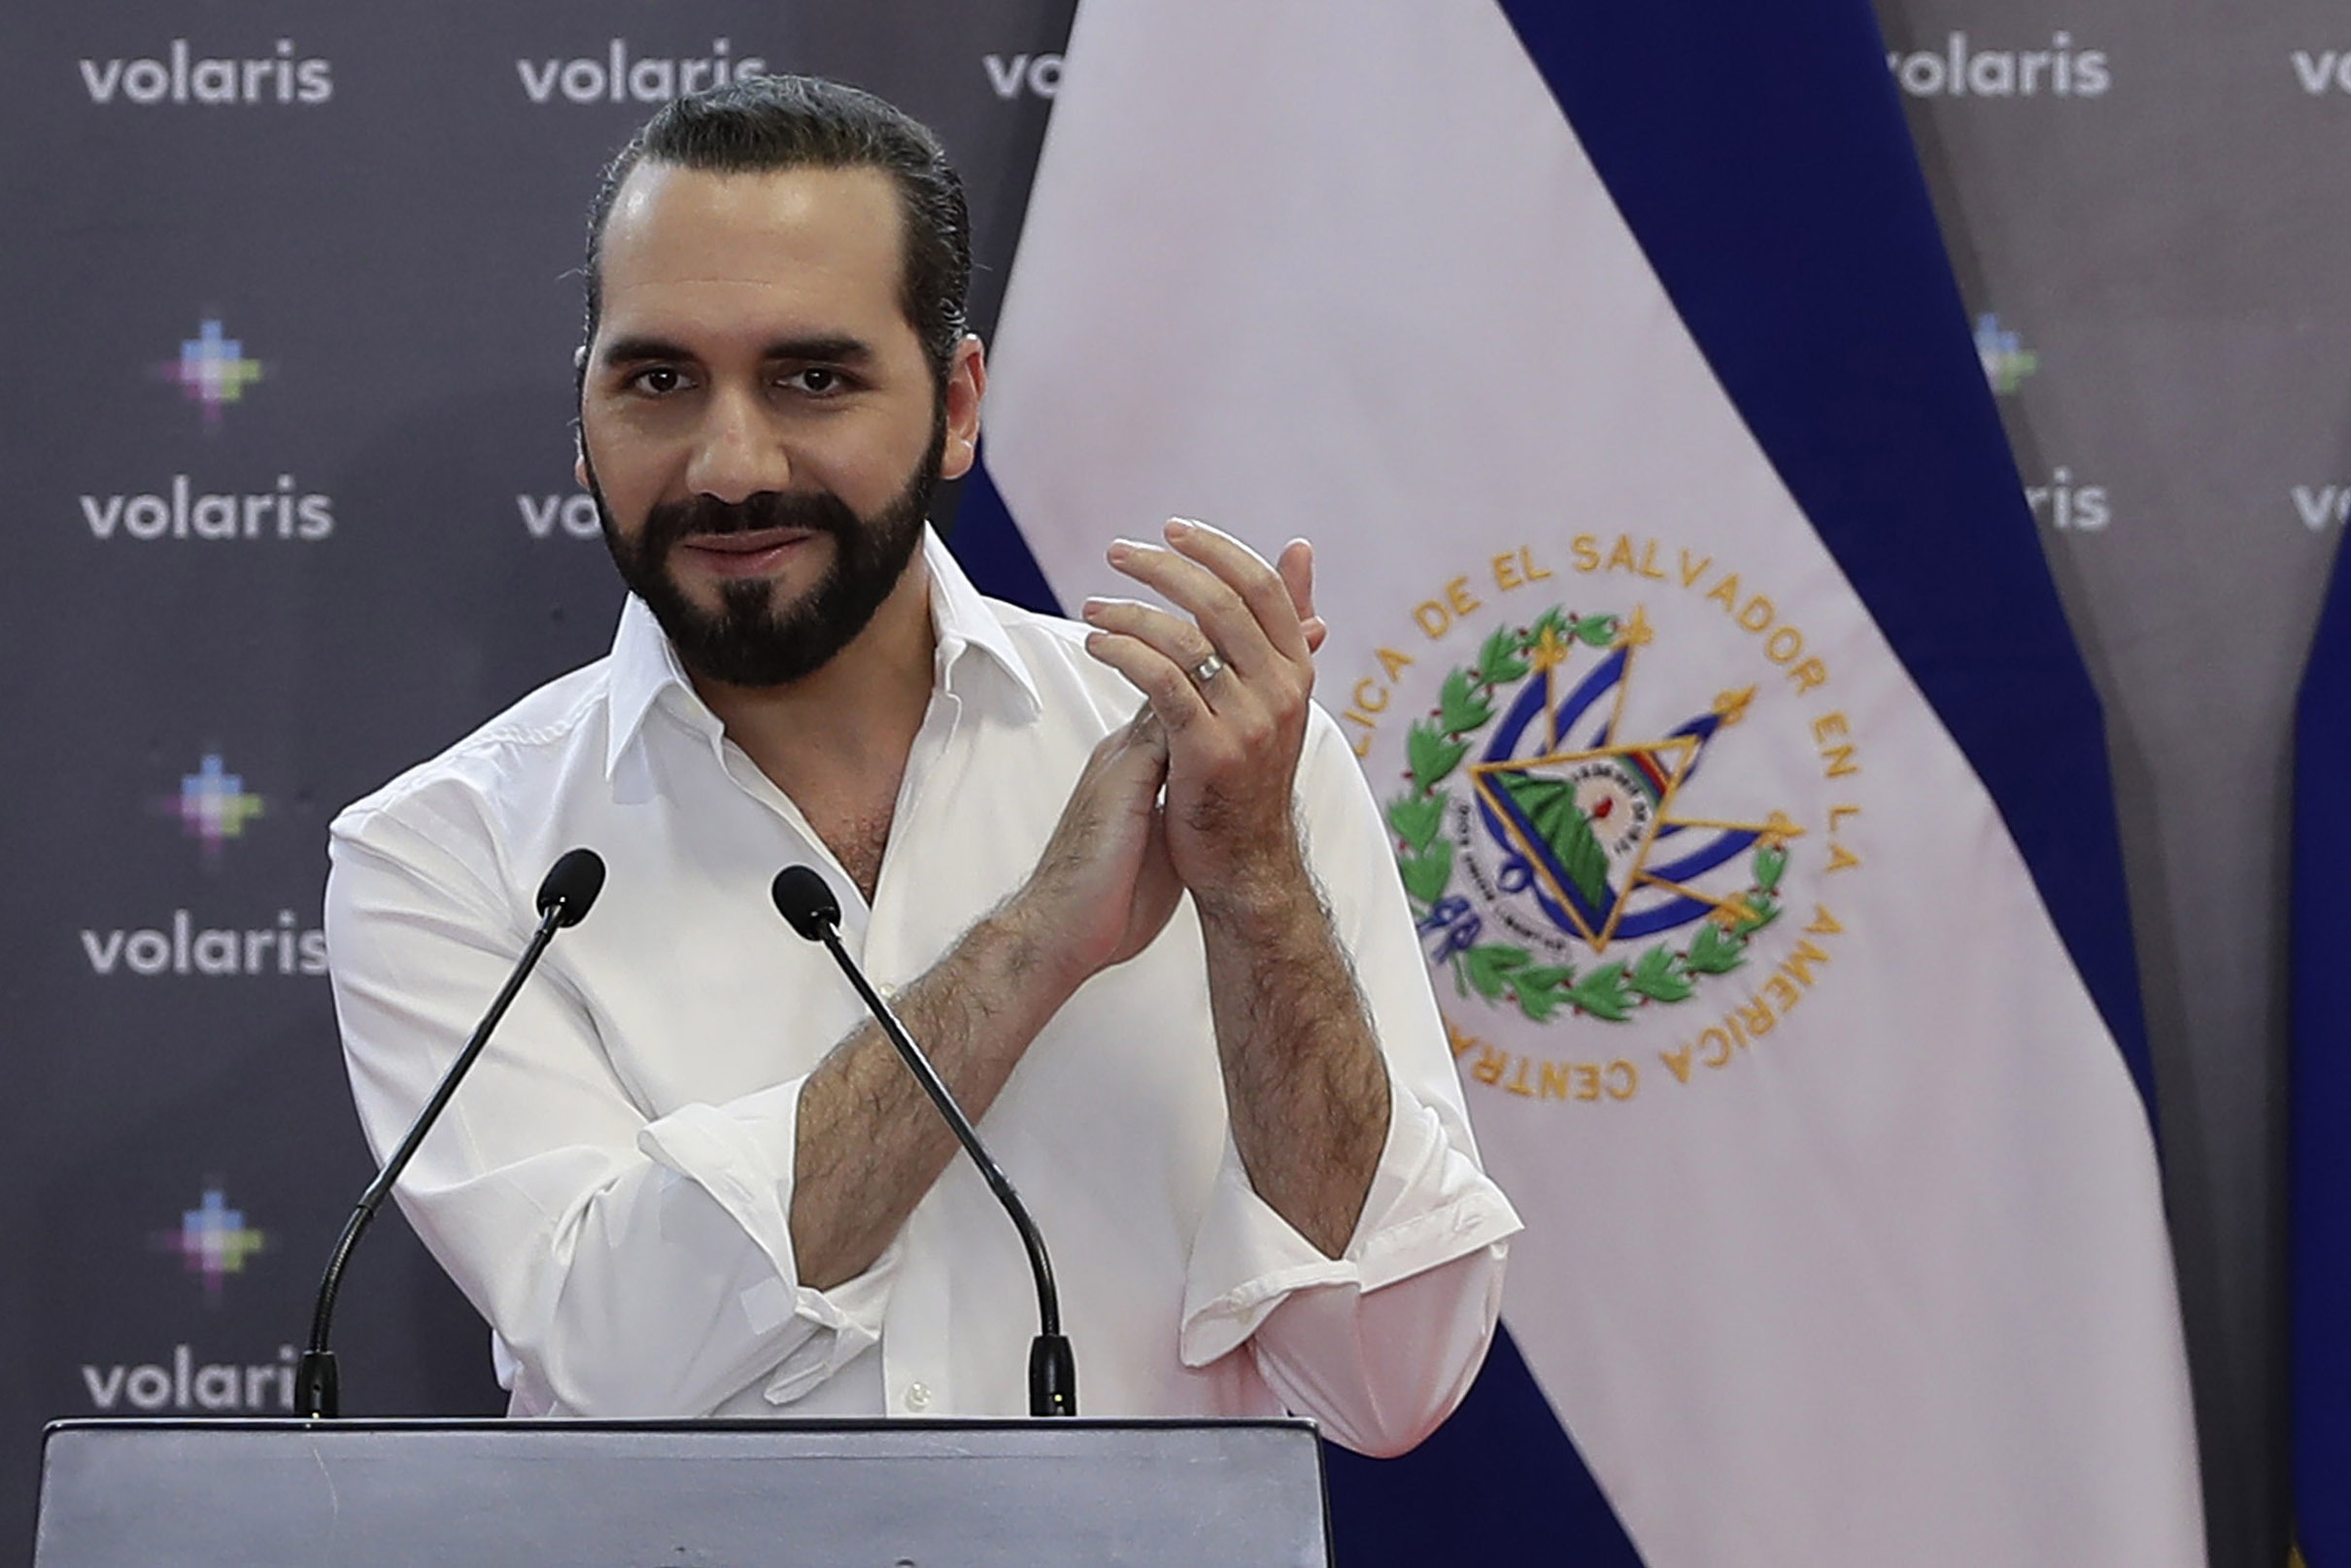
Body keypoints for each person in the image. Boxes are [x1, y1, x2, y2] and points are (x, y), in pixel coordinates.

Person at [324, 75, 1519, 1455]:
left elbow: (1393, 1375)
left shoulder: (1225, 769)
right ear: (582, 415)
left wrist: (1252, 885)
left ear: (955, 405)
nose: (728, 460)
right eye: (659, 379)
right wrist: (1025, 951)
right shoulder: (450, 851)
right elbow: (621, 1351)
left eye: (811, 378)